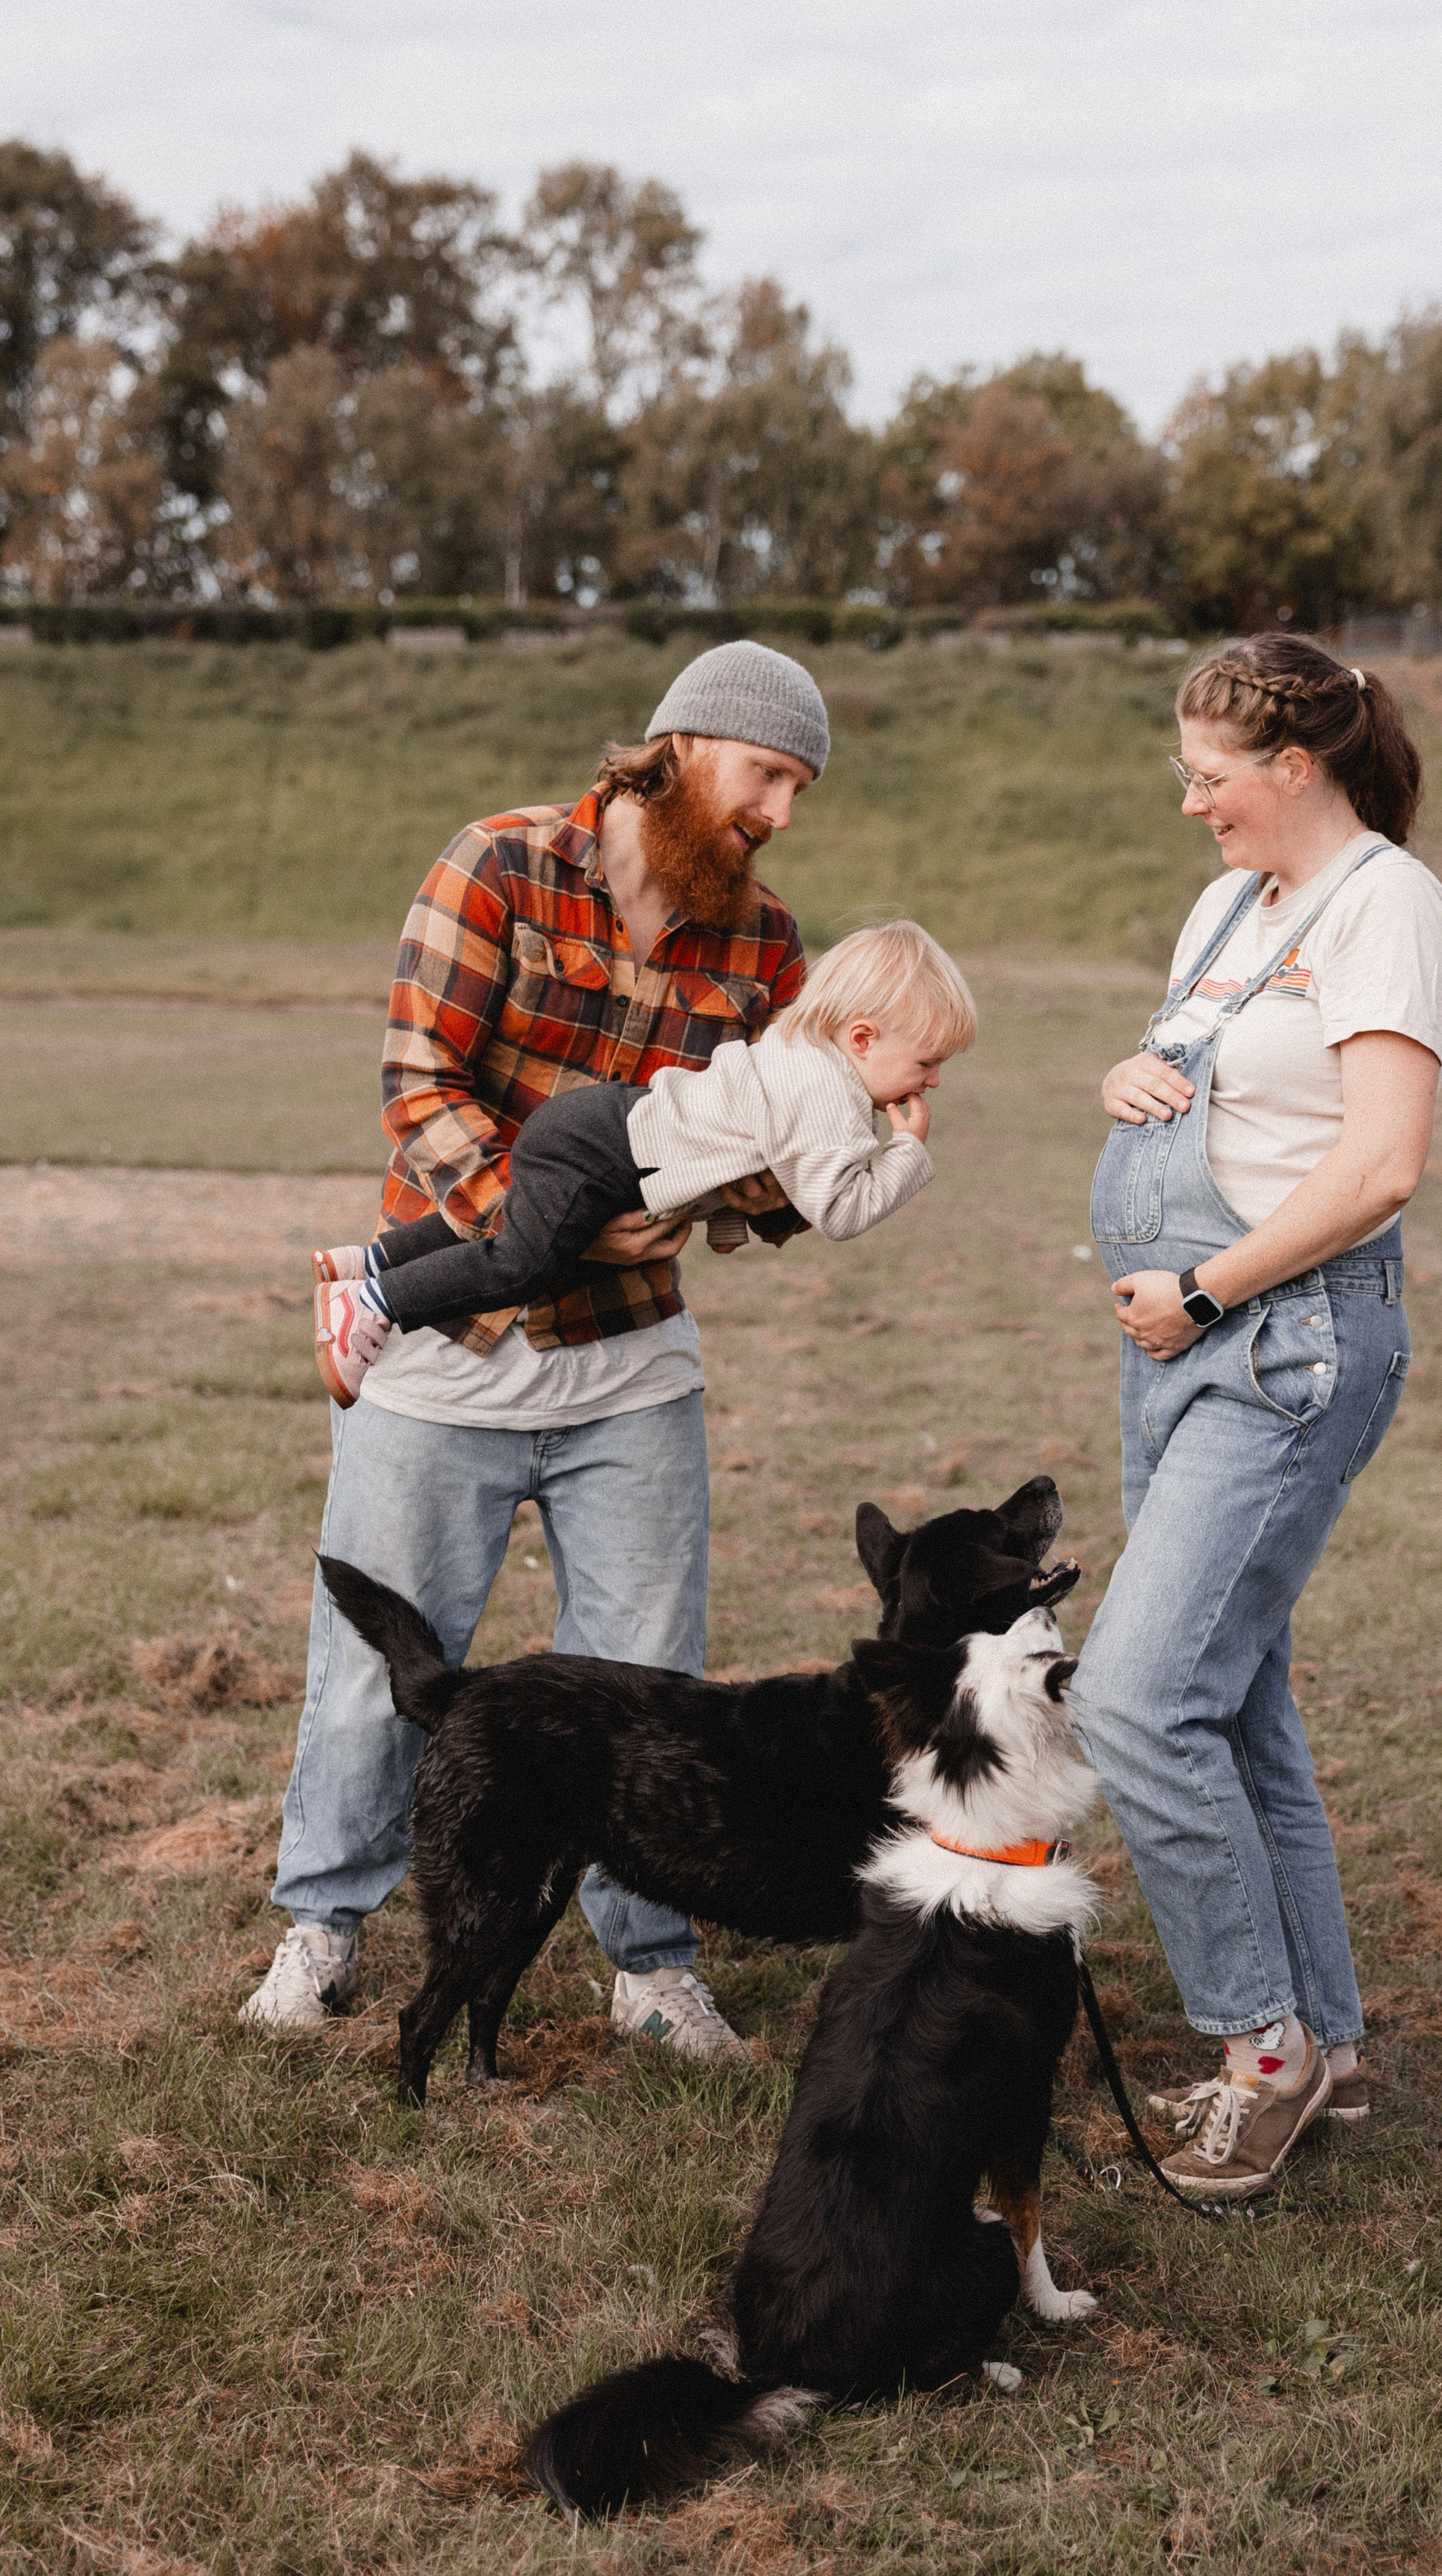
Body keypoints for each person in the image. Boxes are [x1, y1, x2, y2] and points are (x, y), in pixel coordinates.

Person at [243, 640, 832, 2063]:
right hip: (450, 1349)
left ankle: (650, 1967)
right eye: (767, 776)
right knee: (386, 1662)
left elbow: (775, 1169)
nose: (780, 813)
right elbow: (418, 1074)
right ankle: (324, 1932)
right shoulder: (502, 866)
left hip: (634, 1369)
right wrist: (542, 1229)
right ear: (687, 749)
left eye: (802, 789)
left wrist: (786, 1174)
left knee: (648, 1684)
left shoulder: (766, 943)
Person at [1071, 633, 1442, 2202]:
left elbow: (1378, 1168)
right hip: (1180, 1347)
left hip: (1280, 1344)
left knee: (1131, 1698)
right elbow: (1223, 1073)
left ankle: (1260, 2047)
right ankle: (1334, 2043)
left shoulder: (1389, 907)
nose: (1190, 805)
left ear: (1293, 768)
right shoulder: (1233, 905)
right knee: (1229, 1701)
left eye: (1209, 777)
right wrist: (1131, 1071)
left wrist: (1206, 1290)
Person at [309, 919, 977, 1404]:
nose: (934, 1081)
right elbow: (840, 1210)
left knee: (512, 1228)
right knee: (523, 1264)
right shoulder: (827, 1097)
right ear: (862, 1038)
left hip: (597, 1124)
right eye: (928, 1062)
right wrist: (908, 1153)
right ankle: (371, 1303)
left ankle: (371, 1259)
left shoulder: (804, 1049)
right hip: (602, 1154)